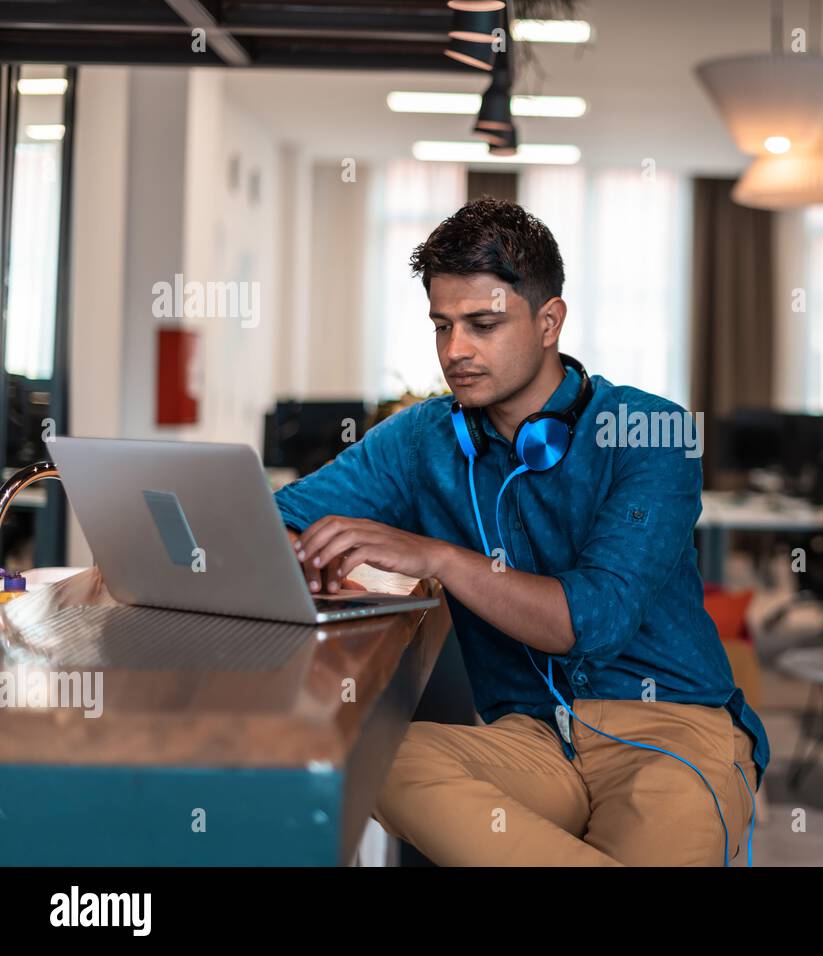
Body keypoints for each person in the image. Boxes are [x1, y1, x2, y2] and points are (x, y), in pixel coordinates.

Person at [273, 197, 768, 866]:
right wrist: (304, 556)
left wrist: (439, 557)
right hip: (530, 740)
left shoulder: (653, 432)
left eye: (482, 324)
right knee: (373, 758)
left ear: (548, 321)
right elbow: (282, 517)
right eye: (441, 326)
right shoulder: (422, 438)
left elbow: (589, 622)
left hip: (672, 734)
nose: (455, 351)